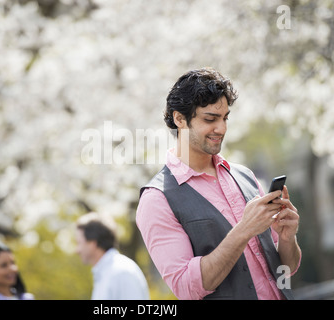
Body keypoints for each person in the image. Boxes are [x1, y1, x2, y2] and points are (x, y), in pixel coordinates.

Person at [136, 67, 302, 300]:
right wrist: (244, 230)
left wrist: (287, 238)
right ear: (179, 118)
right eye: (210, 119)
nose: (221, 128)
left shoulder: (244, 176)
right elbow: (186, 288)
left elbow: (287, 269)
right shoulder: (156, 199)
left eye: (225, 118)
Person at [75, 212, 150, 300]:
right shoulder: (106, 273)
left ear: (92, 243)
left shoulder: (121, 272)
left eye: (79, 243)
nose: (77, 250)